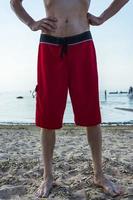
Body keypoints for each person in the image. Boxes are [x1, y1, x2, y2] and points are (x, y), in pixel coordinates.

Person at [10, 0, 129, 198]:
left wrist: (102, 17)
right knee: (47, 116)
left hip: (82, 41)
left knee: (91, 114)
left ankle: (99, 174)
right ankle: (48, 176)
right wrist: (31, 23)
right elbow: (15, 2)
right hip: (49, 44)